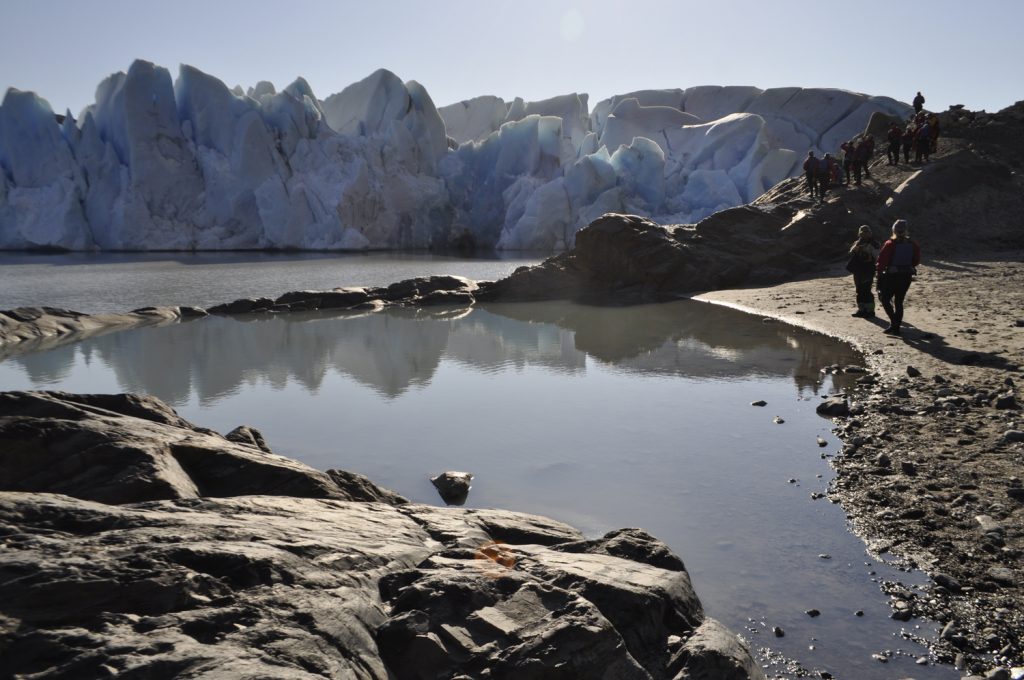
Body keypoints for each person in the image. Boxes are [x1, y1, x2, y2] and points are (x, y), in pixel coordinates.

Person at [876, 219, 921, 335]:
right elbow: (916, 260)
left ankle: (894, 324)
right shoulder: (913, 243)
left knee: (885, 299)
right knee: (899, 302)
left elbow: (882, 261)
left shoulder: (890, 244)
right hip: (906, 275)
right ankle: (895, 326)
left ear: (894, 230)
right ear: (905, 230)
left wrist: (879, 273)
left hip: (892, 275)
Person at [848, 225, 880, 317]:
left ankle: (870, 311)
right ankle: (861, 309)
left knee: (866, 290)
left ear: (870, 233)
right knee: (859, 290)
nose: (864, 235)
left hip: (868, 270)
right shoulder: (857, 243)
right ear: (859, 234)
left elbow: (878, 257)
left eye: (866, 232)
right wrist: (857, 248)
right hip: (858, 270)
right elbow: (851, 252)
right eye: (862, 233)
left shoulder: (874, 244)